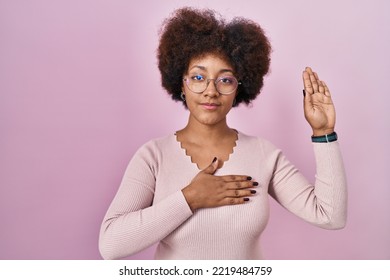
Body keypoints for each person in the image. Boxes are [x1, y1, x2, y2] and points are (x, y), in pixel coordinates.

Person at [98, 7, 347, 260]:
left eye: (225, 80)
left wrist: (323, 132)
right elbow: (110, 245)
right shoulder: (154, 156)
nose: (211, 91)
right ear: (181, 83)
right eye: (198, 77)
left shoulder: (263, 154)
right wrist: (190, 198)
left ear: (240, 87)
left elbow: (330, 215)